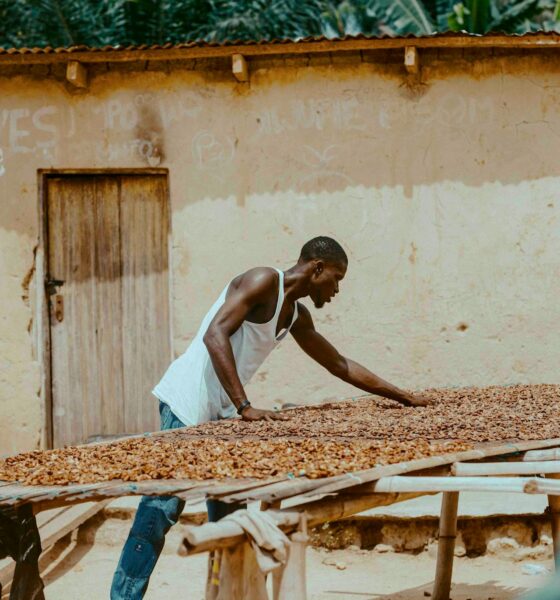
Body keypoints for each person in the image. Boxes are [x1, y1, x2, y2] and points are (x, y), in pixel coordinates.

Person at [111, 236, 431, 599]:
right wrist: (244, 406)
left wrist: (404, 397)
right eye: (337, 278)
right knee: (160, 511)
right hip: (187, 404)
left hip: (222, 416)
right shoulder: (263, 280)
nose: (337, 289)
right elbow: (215, 335)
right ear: (317, 268)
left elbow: (339, 364)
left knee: (232, 520)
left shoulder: (295, 315)